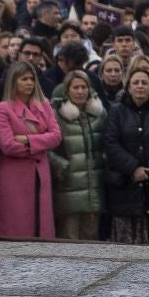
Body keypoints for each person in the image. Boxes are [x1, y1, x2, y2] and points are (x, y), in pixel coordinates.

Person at [102, 59, 149, 245]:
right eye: (136, 82)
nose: (140, 86)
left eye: (144, 83)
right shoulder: (117, 111)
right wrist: (134, 168)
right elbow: (111, 143)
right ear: (128, 87)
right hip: (125, 185)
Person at [0, 60, 62, 238]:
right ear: (14, 81)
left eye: (32, 79)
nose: (29, 83)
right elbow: (8, 145)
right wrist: (41, 145)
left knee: (41, 227)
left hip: (40, 172)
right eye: (24, 79)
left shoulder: (44, 104)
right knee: (17, 227)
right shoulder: (2, 109)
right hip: (14, 177)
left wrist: (27, 140)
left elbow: (56, 136)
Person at [48, 69, 107, 240]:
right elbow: (47, 148)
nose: (80, 91)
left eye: (84, 87)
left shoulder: (99, 113)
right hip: (68, 186)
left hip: (94, 186)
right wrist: (61, 166)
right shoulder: (57, 114)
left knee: (91, 238)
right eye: (76, 87)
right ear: (67, 90)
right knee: (69, 237)